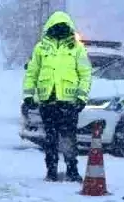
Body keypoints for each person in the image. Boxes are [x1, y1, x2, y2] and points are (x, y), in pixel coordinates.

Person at [23, 10, 93, 182]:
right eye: (57, 27)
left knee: (68, 137)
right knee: (50, 138)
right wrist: (28, 95)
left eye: (63, 27)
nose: (60, 30)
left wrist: (81, 99)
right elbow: (32, 72)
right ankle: (51, 170)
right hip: (48, 101)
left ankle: (72, 170)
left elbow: (86, 74)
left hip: (69, 103)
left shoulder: (77, 49)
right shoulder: (41, 48)